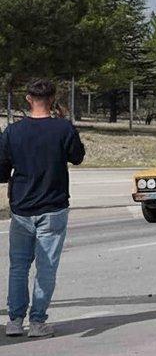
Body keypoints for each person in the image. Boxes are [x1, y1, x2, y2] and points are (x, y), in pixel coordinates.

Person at [1, 79, 86, 338]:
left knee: (19, 266)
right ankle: (37, 322)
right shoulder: (63, 128)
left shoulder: (13, 131)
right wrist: (66, 123)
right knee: (46, 267)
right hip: (53, 206)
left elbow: (2, 171)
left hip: (22, 207)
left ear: (28, 99)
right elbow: (77, 157)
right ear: (53, 99)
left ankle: (15, 321)